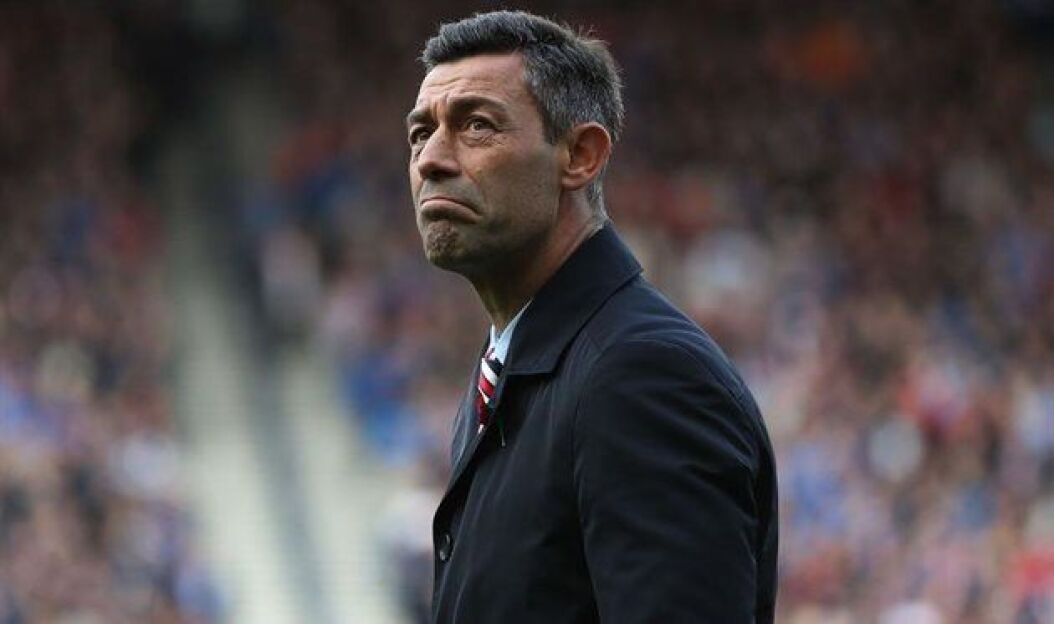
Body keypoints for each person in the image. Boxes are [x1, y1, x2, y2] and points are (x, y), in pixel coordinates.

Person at [406, 10, 778, 623]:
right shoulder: (517, 370)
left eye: (476, 125)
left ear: (580, 155)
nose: (431, 160)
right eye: (421, 133)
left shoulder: (642, 374)